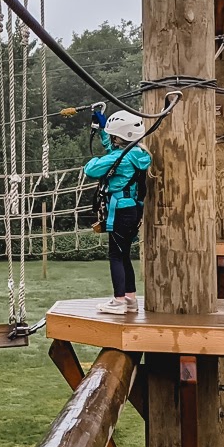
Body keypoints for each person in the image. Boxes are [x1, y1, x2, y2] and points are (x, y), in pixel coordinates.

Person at [83, 109, 150, 315]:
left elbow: (90, 169)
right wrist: (104, 130)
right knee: (124, 255)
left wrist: (101, 153)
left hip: (120, 211)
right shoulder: (137, 154)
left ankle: (119, 301)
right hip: (132, 211)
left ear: (120, 137)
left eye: (113, 136)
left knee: (116, 256)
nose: (110, 139)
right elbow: (115, 153)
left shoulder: (120, 157)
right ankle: (130, 299)